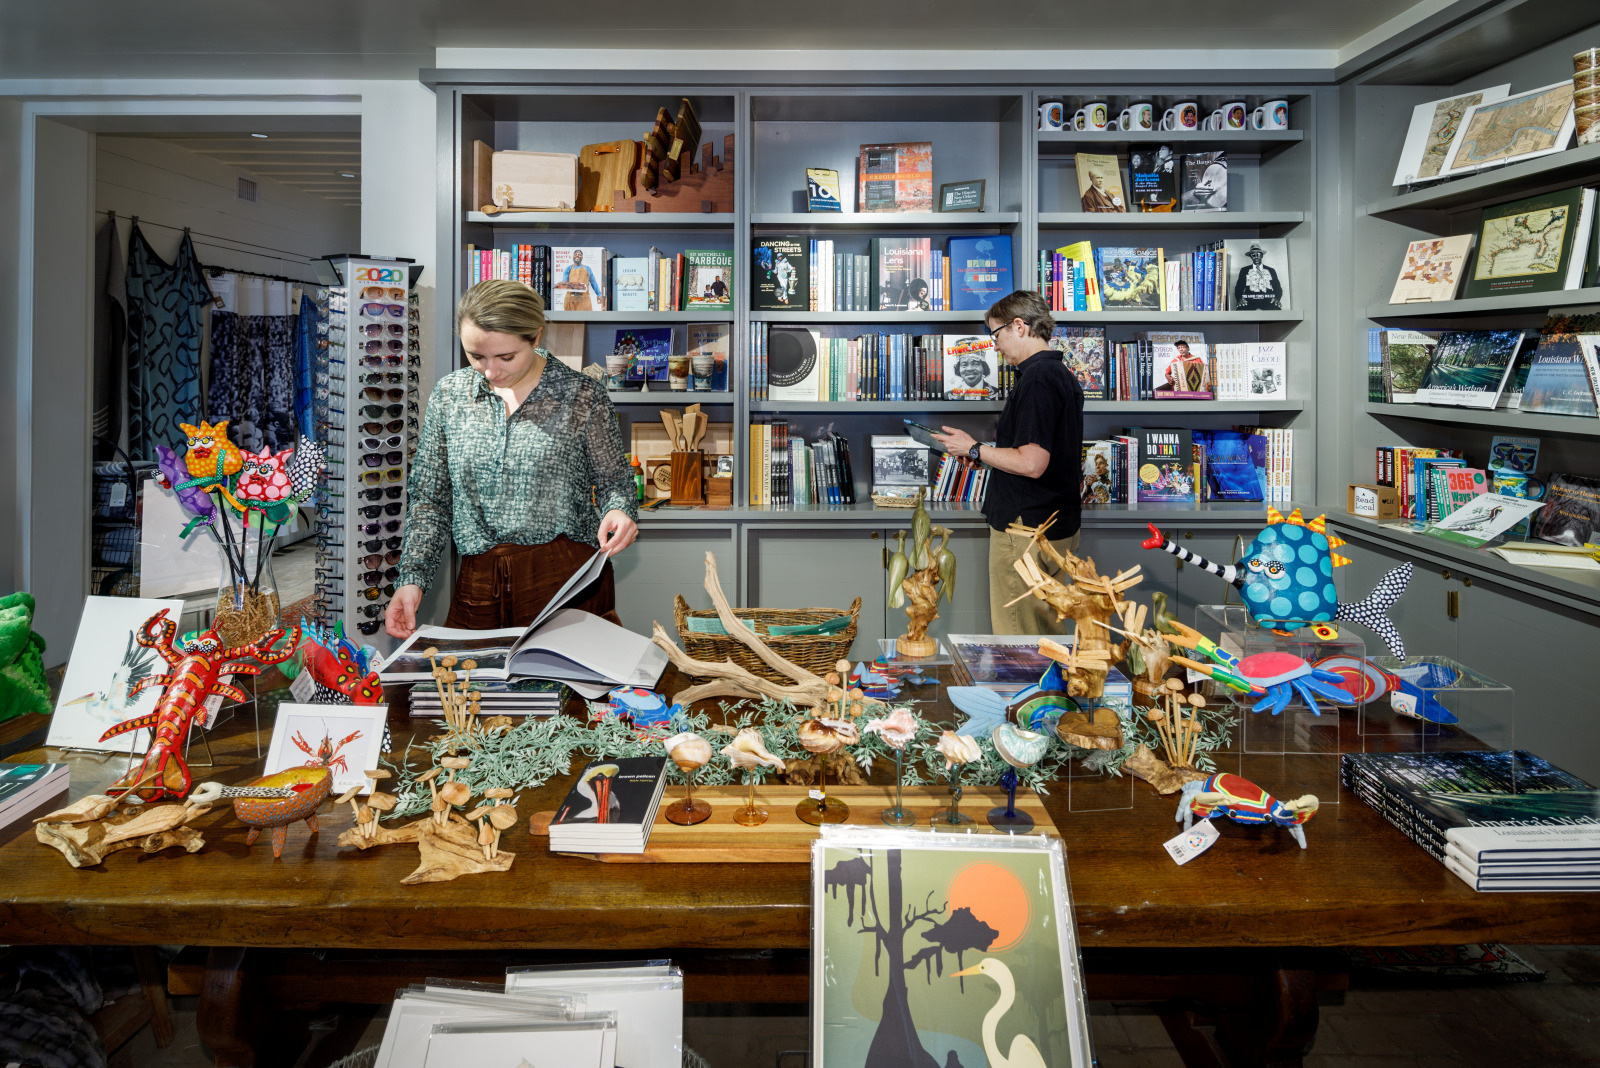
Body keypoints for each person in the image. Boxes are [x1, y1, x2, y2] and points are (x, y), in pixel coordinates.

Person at [386, 279, 639, 639]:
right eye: (476, 356)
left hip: (566, 578)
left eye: (506, 357)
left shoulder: (582, 395)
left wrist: (621, 510)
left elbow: (617, 483)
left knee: (567, 691)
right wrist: (413, 579)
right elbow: (430, 500)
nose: (491, 371)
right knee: (469, 689)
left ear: (536, 337)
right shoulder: (450, 395)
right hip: (477, 581)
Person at [931, 291, 1085, 634]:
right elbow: (1039, 454)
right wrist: (983, 456)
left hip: (1026, 528)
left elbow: (1032, 463)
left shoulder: (1038, 379)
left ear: (1019, 326)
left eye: (995, 335)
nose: (995, 346)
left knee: (1021, 639)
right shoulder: (1060, 374)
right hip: (1051, 524)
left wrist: (974, 449)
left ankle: (1031, 691)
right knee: (1045, 631)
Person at [1232, 243, 1284, 310]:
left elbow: (1278, 288)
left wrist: (1277, 298)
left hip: (1267, 300)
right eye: (1253, 255)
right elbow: (1238, 288)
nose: (1256, 257)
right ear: (1250, 257)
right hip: (1250, 300)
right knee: (1240, 311)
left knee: (1277, 311)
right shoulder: (1244, 270)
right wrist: (1239, 299)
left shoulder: (1271, 270)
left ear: (1262, 256)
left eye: (1258, 254)